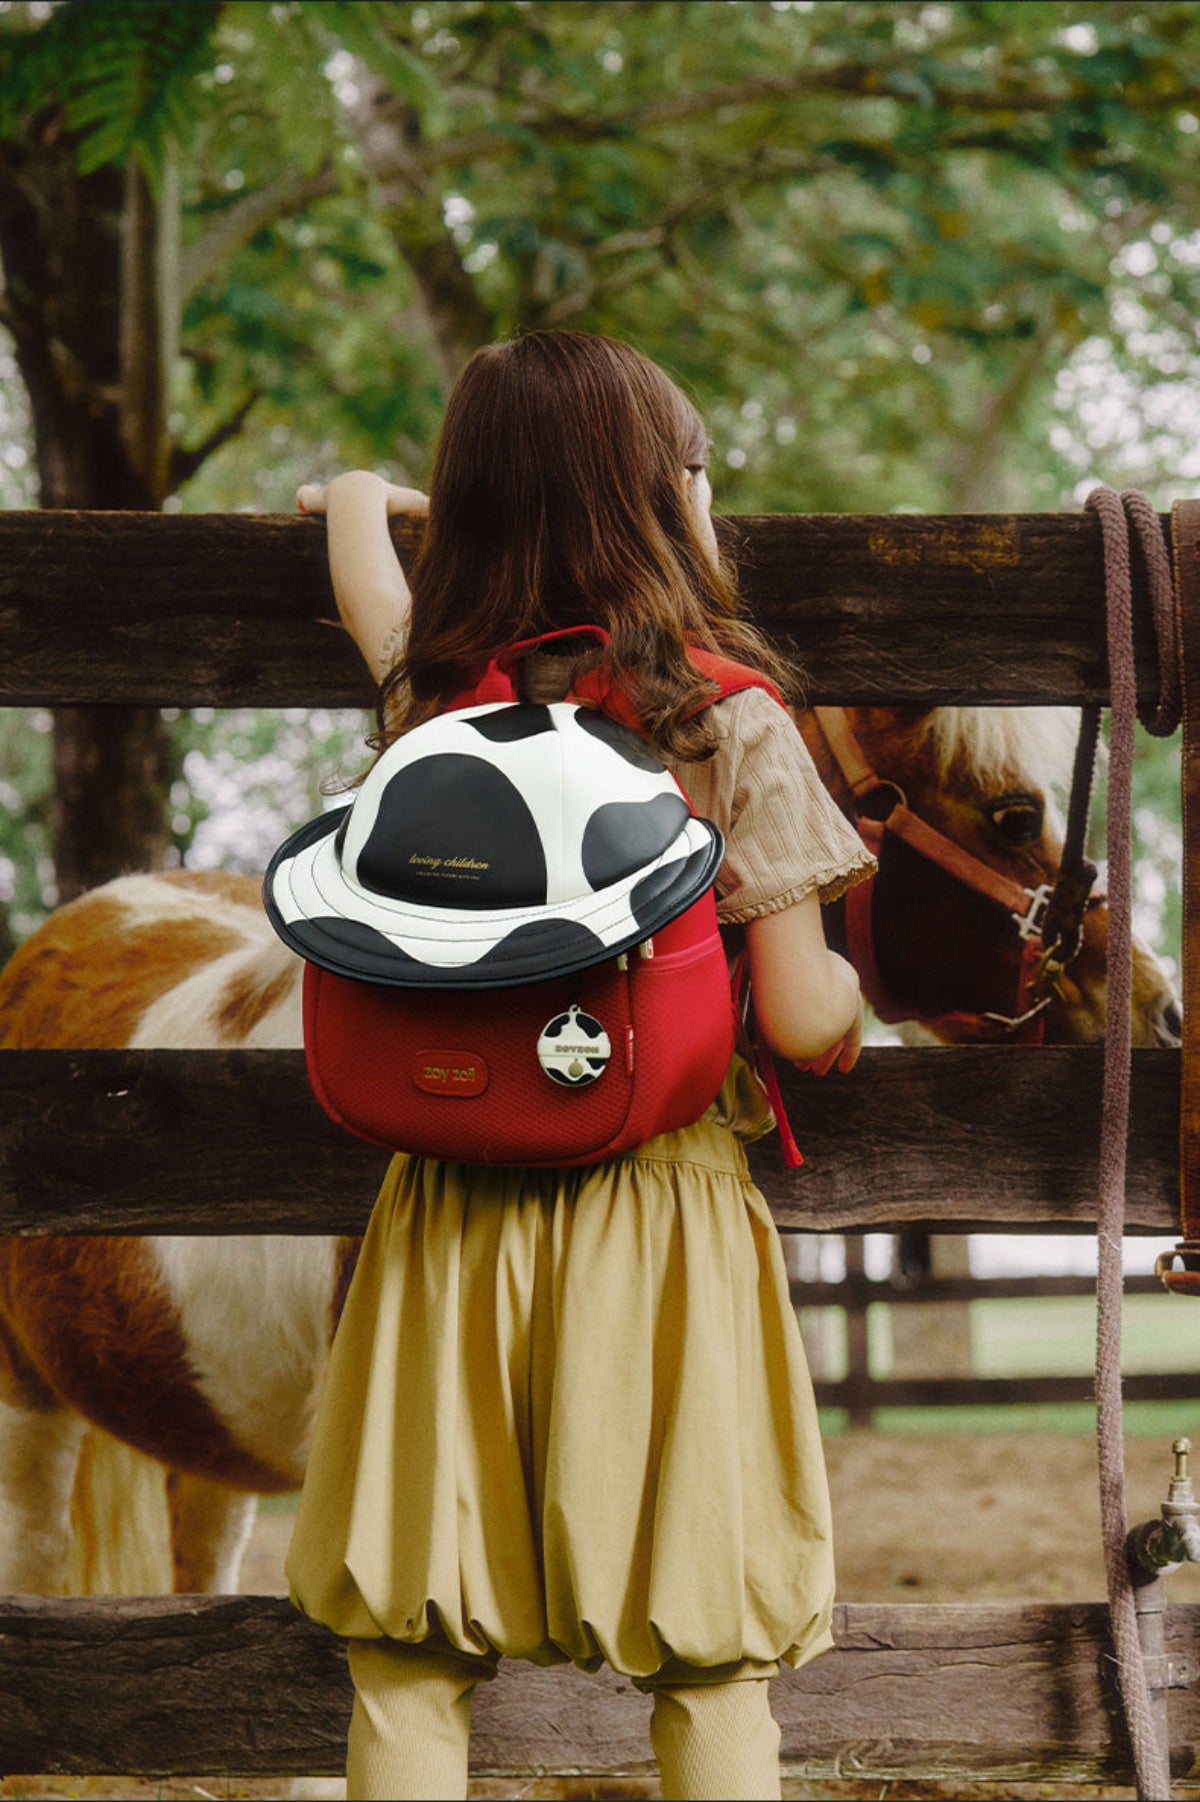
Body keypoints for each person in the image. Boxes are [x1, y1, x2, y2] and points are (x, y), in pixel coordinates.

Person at [287, 330, 874, 1802]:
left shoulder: (436, 699)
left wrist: (361, 496)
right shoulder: (724, 717)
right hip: (659, 1211)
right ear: (668, 497)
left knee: (411, 1649)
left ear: (466, 503)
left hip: (450, 1206)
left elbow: (375, 592)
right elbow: (803, 1018)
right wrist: (855, 992)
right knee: (710, 1645)